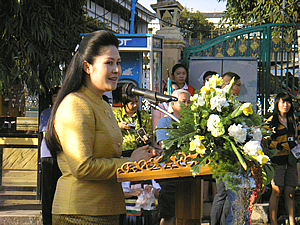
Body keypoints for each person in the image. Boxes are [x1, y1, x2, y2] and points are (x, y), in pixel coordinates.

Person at [45, 30, 156, 225]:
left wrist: (142, 157)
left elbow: (108, 157)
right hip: (80, 213)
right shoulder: (75, 104)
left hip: (106, 210)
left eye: (118, 63)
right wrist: (129, 161)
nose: (117, 70)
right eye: (109, 63)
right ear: (87, 67)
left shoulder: (103, 104)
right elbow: (82, 167)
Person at [210, 72, 242, 225]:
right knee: (224, 193)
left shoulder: (234, 102)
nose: (240, 88)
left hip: (232, 156)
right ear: (228, 84)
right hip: (222, 155)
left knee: (226, 193)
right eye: (237, 85)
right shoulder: (218, 102)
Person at [156, 89, 191, 225]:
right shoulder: (164, 122)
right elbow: (165, 144)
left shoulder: (194, 122)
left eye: (189, 102)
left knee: (189, 212)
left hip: (189, 172)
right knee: (169, 213)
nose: (187, 105)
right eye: (183, 102)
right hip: (170, 171)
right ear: (173, 104)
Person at [265, 92, 299, 225]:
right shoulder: (271, 121)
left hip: (290, 160)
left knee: (290, 192)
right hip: (277, 162)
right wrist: (280, 146)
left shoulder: (293, 121)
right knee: (277, 191)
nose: (286, 105)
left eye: (288, 102)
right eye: (282, 102)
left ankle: (291, 222)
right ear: (277, 104)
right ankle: (273, 222)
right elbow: (266, 141)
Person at [39, 86, 61, 225]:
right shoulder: (46, 113)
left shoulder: (67, 112)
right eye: (54, 96)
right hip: (48, 153)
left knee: (59, 187)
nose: (57, 98)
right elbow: (47, 134)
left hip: (63, 154)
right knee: (48, 189)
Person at [113, 87, 153, 157]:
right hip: (121, 152)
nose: (135, 105)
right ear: (124, 104)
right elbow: (108, 130)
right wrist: (118, 126)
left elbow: (150, 133)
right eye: (132, 103)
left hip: (139, 152)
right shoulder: (115, 114)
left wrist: (147, 139)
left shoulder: (144, 115)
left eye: (137, 102)